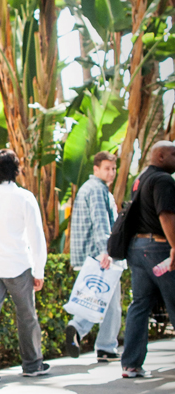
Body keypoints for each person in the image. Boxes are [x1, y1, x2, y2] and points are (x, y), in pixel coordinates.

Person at [0, 148, 49, 383]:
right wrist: (39, 270)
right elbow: (36, 236)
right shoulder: (24, 198)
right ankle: (32, 364)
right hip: (18, 266)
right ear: (16, 170)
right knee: (26, 315)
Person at [121, 140, 175, 379]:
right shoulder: (163, 180)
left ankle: (131, 365)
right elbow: (166, 215)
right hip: (159, 248)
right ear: (160, 156)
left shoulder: (141, 178)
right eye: (174, 154)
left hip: (137, 247)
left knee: (140, 305)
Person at [65, 151, 122, 361]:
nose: (111, 173)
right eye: (107, 168)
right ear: (96, 169)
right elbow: (101, 222)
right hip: (98, 256)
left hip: (89, 256)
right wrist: (106, 251)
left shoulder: (88, 188)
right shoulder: (97, 190)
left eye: (113, 169)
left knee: (97, 300)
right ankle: (104, 345)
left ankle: (81, 330)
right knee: (110, 303)